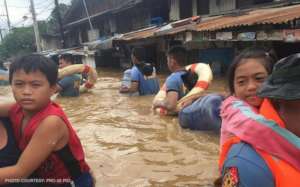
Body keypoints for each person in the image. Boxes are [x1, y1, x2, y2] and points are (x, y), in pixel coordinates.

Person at [0, 54, 94, 187]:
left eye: (35, 85)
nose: (26, 91)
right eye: (19, 84)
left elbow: (20, 172)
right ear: (11, 86)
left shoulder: (51, 122)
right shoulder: (15, 109)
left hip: (70, 182)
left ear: (53, 89)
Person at [219, 53, 300, 186]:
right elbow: (257, 129)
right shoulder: (235, 108)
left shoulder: (264, 106)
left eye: (259, 79)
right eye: (241, 82)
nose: (251, 87)